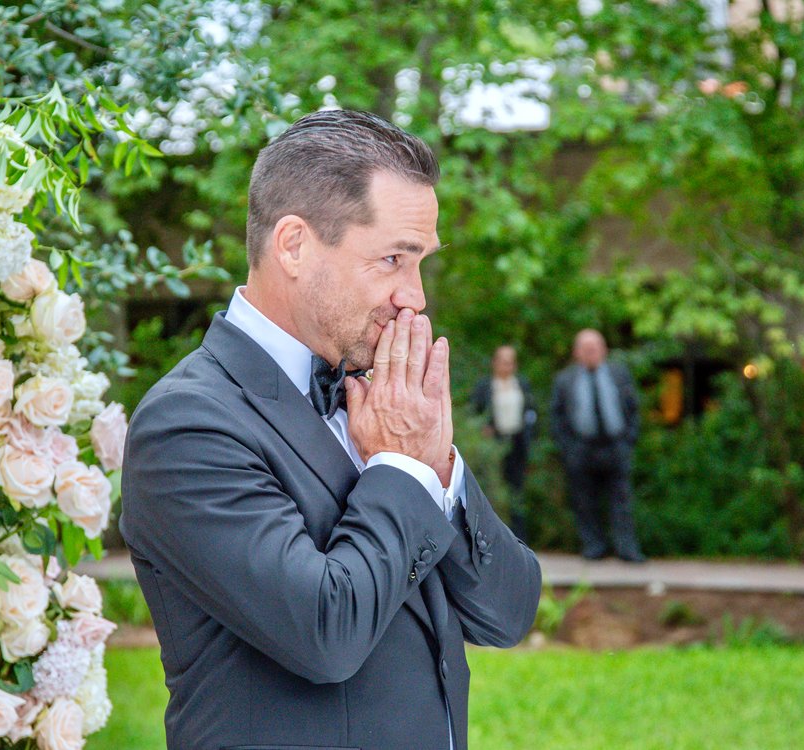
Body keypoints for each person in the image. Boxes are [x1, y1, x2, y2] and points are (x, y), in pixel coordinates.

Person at [120, 110, 541, 750]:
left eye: (419, 260)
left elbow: (509, 615)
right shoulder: (187, 423)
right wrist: (401, 469)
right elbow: (325, 633)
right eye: (393, 259)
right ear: (293, 245)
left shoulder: (378, 400)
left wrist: (440, 468)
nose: (414, 296)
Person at [550, 328, 645, 562]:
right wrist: (568, 448)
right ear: (577, 352)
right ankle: (594, 547)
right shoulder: (565, 379)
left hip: (615, 446)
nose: (591, 353)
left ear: (604, 350)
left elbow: (633, 408)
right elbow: (557, 417)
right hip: (581, 448)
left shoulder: (619, 374)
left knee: (621, 500)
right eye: (586, 349)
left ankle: (626, 548)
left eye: (595, 348)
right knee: (584, 501)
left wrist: (629, 439)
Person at [470, 345, 536, 541]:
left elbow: (531, 412)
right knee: (492, 489)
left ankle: (518, 536)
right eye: (503, 361)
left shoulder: (521, 385)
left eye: (510, 361)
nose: (506, 365)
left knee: (517, 490)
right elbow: (475, 412)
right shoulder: (485, 386)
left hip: (517, 443)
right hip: (493, 445)